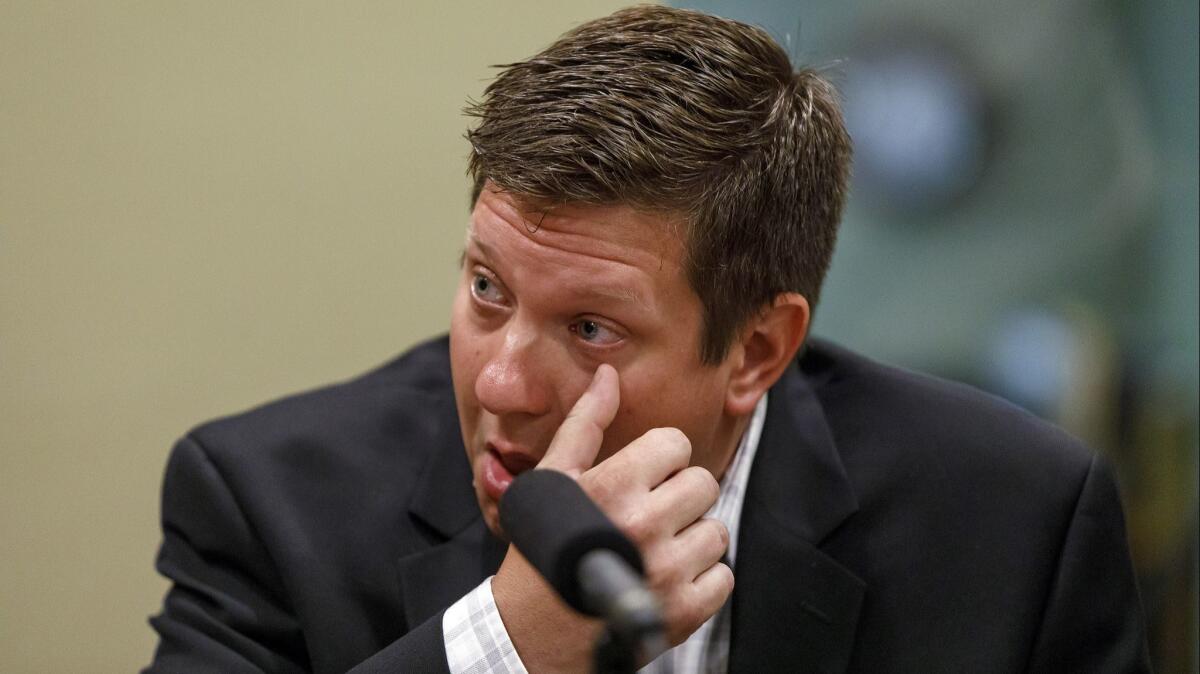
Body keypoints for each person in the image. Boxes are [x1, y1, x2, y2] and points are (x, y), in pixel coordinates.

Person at [144, 6, 1150, 673]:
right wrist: (504, 648)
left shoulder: (1015, 520)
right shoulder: (266, 499)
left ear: (758, 349)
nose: (502, 380)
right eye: (488, 287)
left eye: (591, 327)